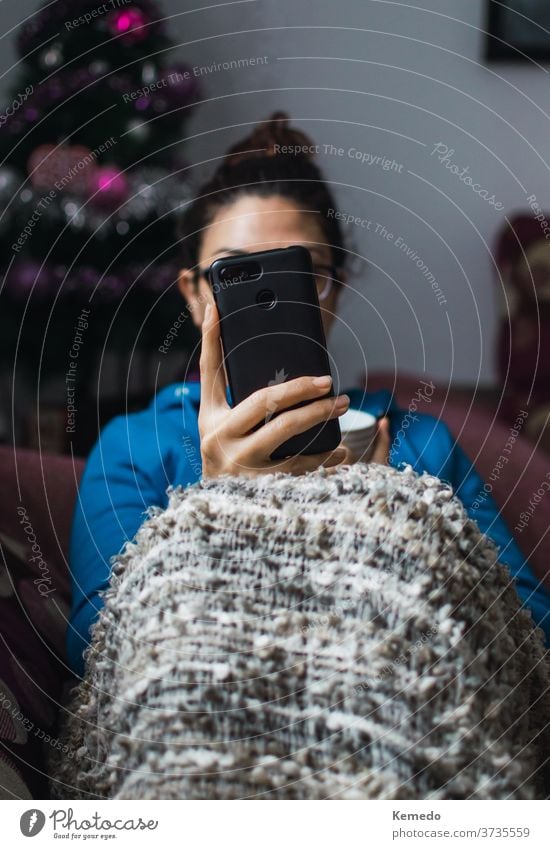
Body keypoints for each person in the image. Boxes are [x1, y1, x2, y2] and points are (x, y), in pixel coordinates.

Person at [67, 112, 550, 676]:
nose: (274, 307)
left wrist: (381, 518)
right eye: (235, 278)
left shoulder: (419, 444)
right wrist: (221, 509)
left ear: (336, 290)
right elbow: (94, 654)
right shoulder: (135, 447)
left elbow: (530, 634)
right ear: (196, 295)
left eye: (302, 276)